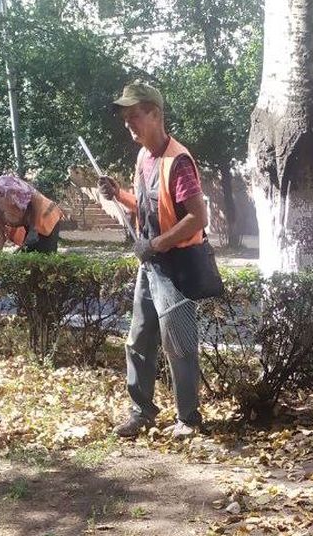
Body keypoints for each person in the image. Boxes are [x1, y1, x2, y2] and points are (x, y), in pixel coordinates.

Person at [98, 81, 208, 440]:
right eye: (125, 118)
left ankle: (188, 419)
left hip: (175, 266)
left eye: (135, 116)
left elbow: (197, 217)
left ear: (156, 114)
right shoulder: (144, 157)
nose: (128, 124)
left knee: (179, 343)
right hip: (152, 265)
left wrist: (157, 244)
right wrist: (119, 195)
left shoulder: (178, 162)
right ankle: (141, 412)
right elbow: (149, 208)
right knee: (139, 340)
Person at [0, 169, 63, 253]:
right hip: (30, 226)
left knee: (41, 262)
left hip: (44, 217)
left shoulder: (3, 185)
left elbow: (34, 199)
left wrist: (33, 230)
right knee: (27, 264)